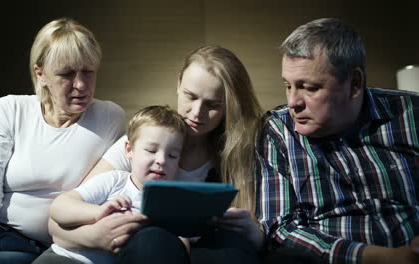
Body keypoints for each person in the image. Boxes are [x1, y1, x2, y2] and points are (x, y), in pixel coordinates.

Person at [0, 18, 149, 264]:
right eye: (67, 74)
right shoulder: (10, 109)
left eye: (88, 72)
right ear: (40, 73)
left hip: (35, 248)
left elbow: (95, 196)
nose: (81, 85)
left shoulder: (109, 117)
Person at [45, 45, 265, 263]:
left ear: (229, 105)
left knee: (228, 245)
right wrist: (95, 237)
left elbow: (253, 238)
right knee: (153, 240)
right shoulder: (143, 142)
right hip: (148, 250)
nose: (197, 112)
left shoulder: (236, 155)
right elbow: (57, 223)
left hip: (206, 253)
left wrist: (254, 234)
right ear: (179, 83)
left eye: (212, 104)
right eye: (190, 96)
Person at [256, 17, 419, 264]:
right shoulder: (278, 130)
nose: (293, 102)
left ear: (354, 84)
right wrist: (379, 258)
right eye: (288, 86)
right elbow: (281, 229)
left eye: (308, 87)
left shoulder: (411, 114)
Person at [38, 105, 188, 264]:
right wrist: (98, 212)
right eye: (151, 150)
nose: (162, 160)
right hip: (66, 257)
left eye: (172, 155)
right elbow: (59, 207)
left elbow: (181, 243)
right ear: (129, 150)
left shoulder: (172, 203)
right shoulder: (115, 181)